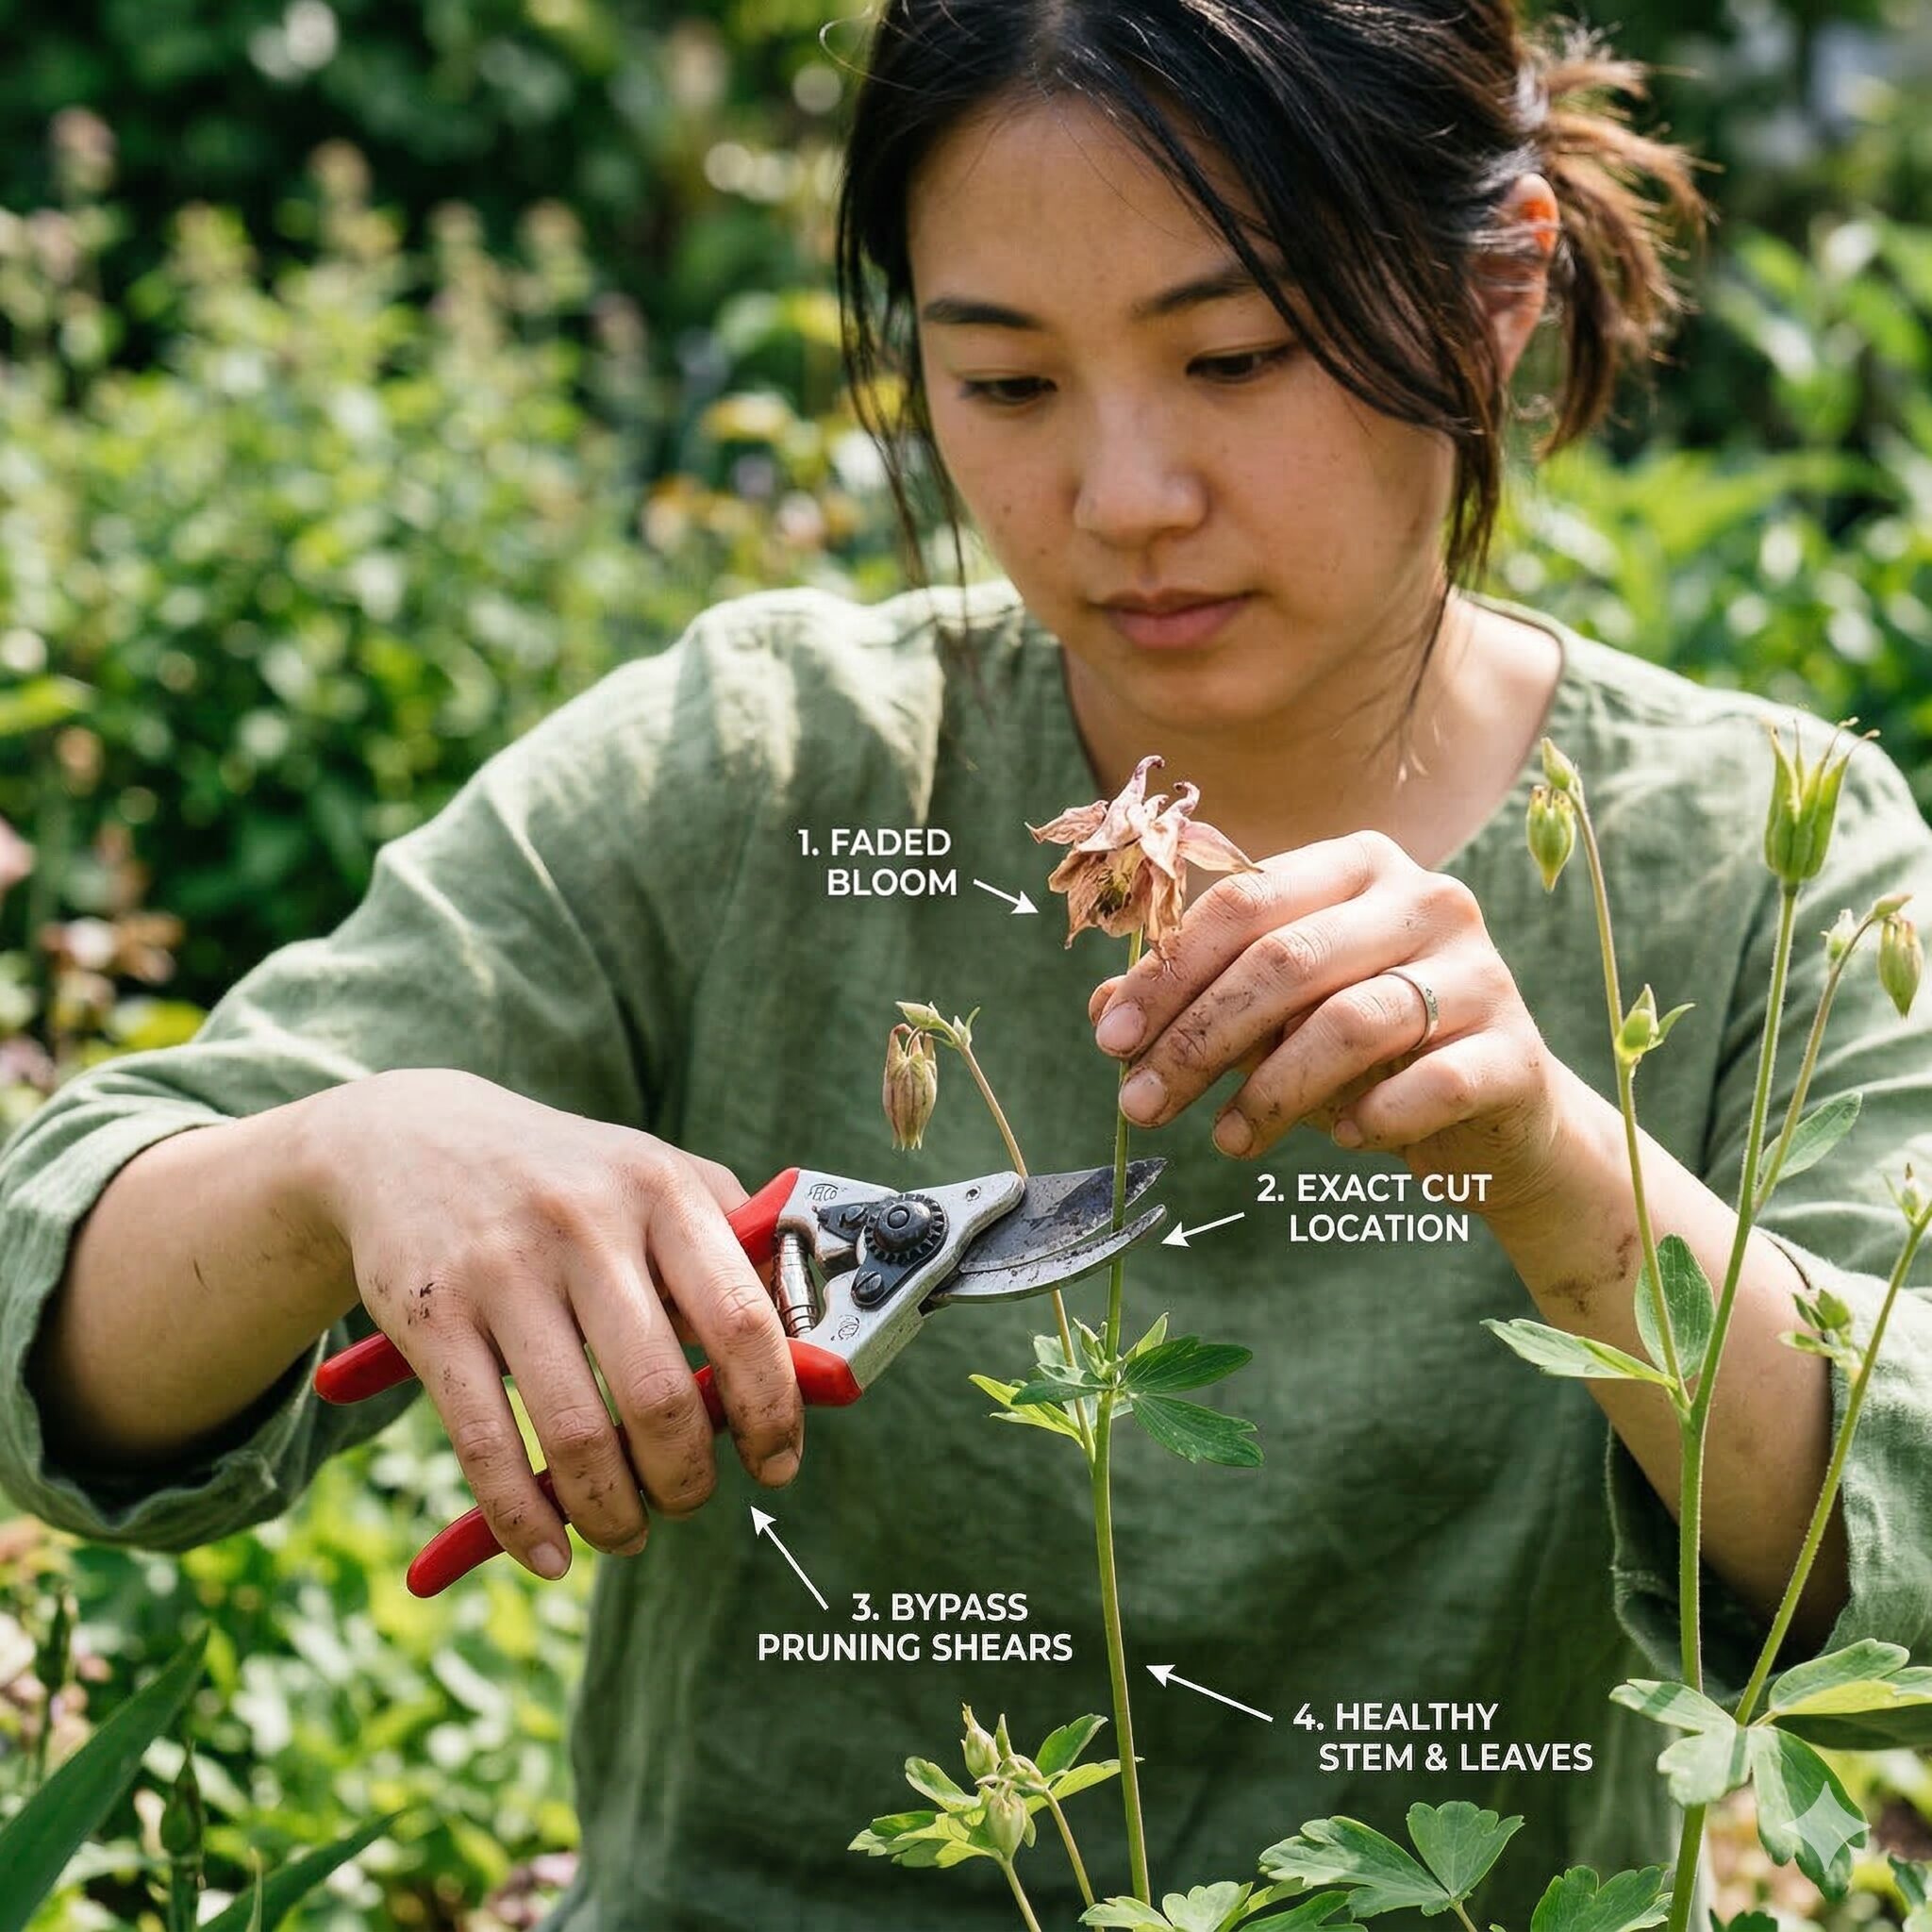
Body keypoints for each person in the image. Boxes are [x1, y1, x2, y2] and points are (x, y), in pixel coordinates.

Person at [4, 1, 1930, 1925]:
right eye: (1004, 384)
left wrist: (1546, 1160)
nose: (1123, 498)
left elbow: (1901, 1572)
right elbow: (48, 1316)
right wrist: (352, 1153)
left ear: (1494, 297)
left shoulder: (1766, 856)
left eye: (1235, 354)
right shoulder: (762, 773)